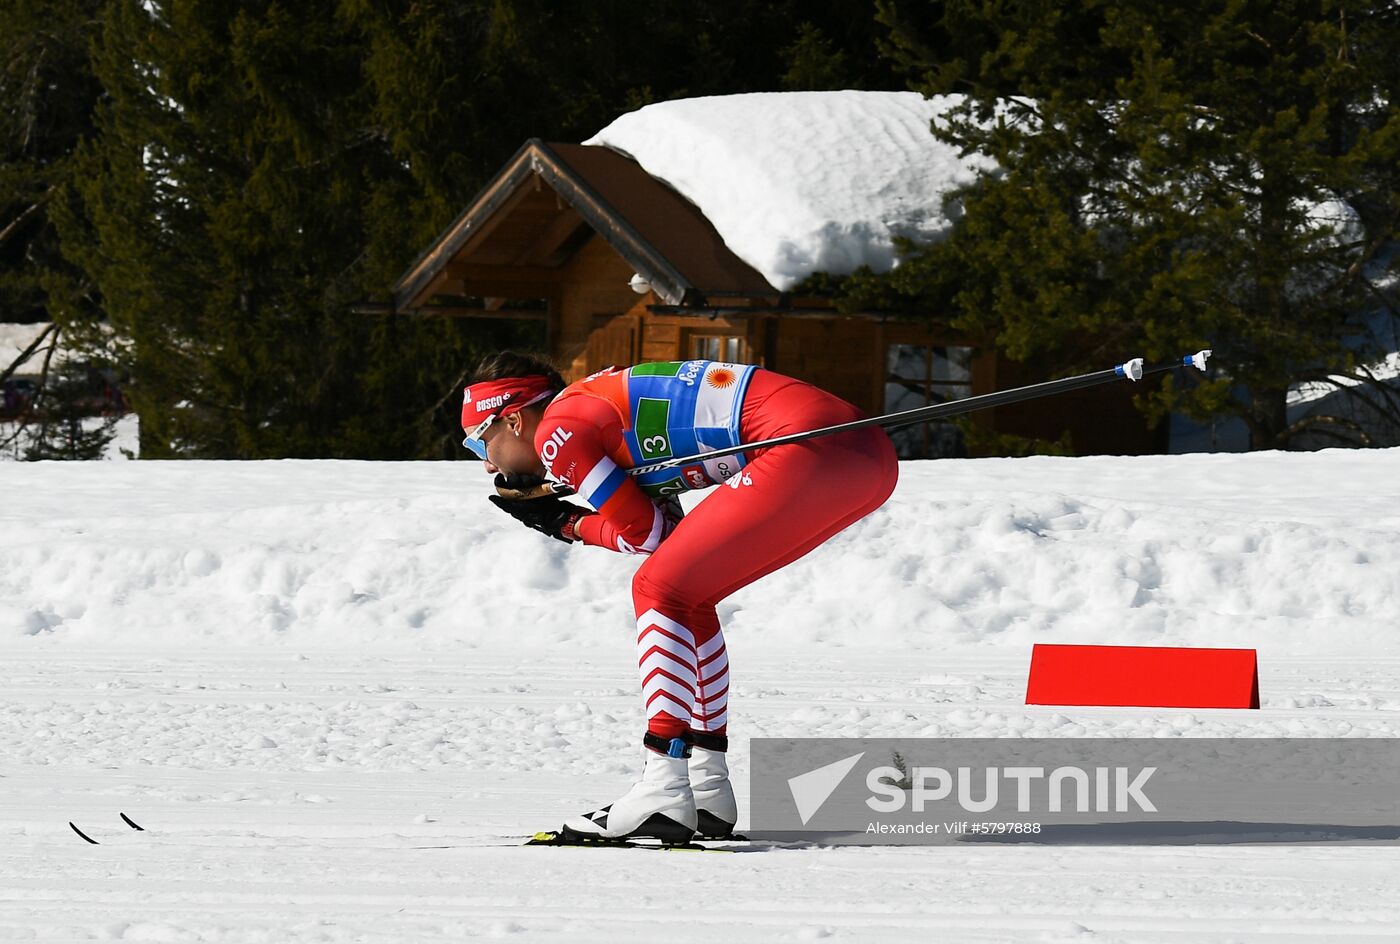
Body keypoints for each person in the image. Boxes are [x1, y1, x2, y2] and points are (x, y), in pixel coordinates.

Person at [462, 351, 898, 843]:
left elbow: (643, 536)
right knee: (688, 593)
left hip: (810, 449)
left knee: (656, 587)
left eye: (480, 441)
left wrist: (568, 524)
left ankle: (663, 786)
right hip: (868, 456)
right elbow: (666, 535)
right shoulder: (588, 408)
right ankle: (706, 785)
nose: (486, 464)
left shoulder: (556, 431)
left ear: (513, 418)